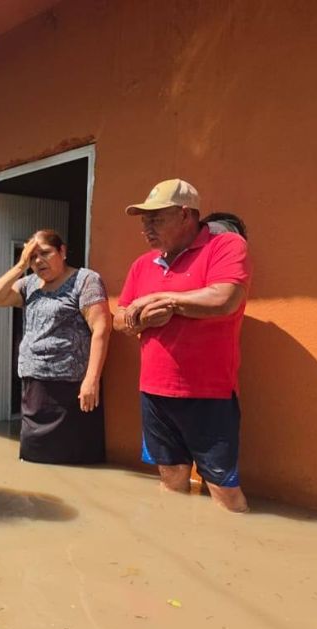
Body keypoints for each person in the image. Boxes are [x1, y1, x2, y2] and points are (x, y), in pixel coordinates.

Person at [114, 179, 250, 513]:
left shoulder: (225, 246)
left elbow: (224, 299)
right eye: (144, 220)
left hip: (208, 392)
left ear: (186, 215)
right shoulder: (142, 264)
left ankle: (233, 543)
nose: (146, 228)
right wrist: (142, 320)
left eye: (156, 219)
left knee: (224, 491)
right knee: (171, 478)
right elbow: (119, 318)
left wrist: (165, 301)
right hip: (154, 391)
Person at [0, 229, 112, 464]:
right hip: (35, 386)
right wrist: (20, 265)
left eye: (44, 253)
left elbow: (101, 329)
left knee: (74, 460)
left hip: (72, 387)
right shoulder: (29, 284)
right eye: (33, 256)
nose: (38, 261)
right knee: (33, 457)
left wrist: (92, 379)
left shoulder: (85, 280)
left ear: (62, 251)